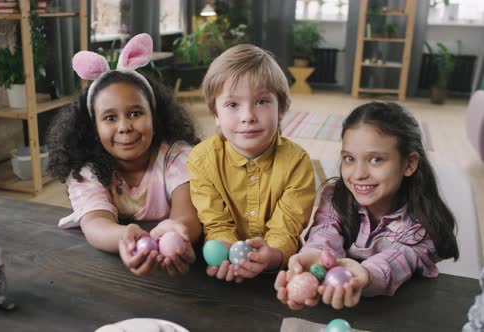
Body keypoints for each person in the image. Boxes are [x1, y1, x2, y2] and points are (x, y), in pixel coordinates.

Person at [275, 101, 459, 310]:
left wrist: (365, 276)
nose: (359, 173)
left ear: (409, 164)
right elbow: (324, 234)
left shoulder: (421, 225)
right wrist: (315, 259)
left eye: (376, 160)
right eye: (350, 158)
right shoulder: (336, 196)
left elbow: (395, 261)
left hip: (396, 313)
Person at [47, 33, 201, 277]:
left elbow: (187, 214)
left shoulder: (176, 157)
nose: (124, 126)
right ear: (94, 128)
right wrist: (124, 237)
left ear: (155, 117)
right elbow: (95, 223)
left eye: (135, 113)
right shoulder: (88, 173)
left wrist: (175, 230)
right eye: (110, 117)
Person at [187, 44, 316, 283]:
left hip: (279, 274)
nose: (248, 116)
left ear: (281, 110)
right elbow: (216, 222)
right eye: (232, 104)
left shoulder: (297, 163)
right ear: (216, 115)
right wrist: (225, 252)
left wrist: (273, 255)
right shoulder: (201, 160)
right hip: (227, 269)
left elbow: (286, 228)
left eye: (261, 101)